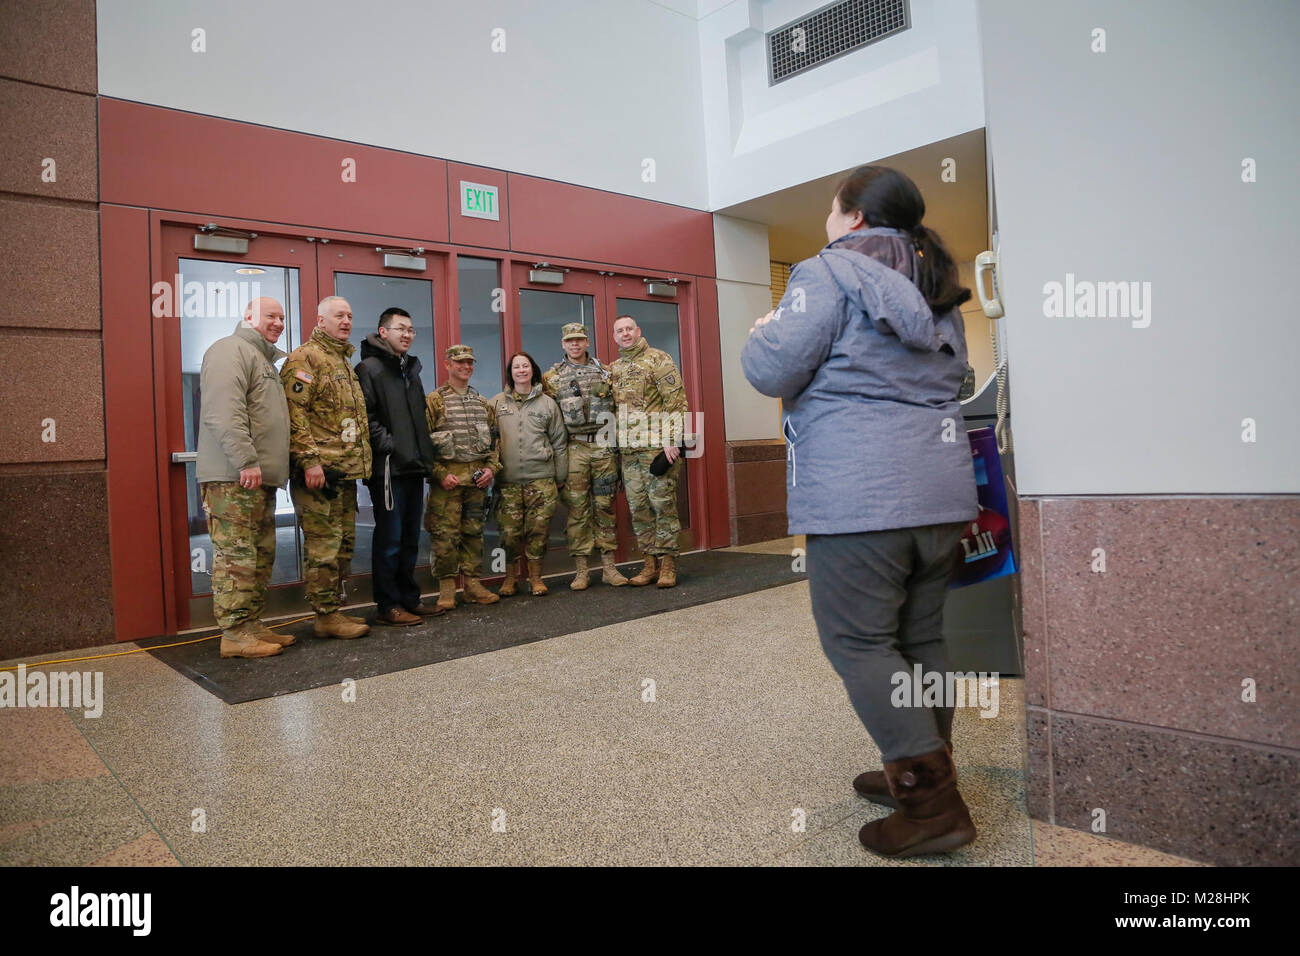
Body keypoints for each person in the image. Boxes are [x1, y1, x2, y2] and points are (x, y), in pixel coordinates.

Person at [740, 165, 979, 858]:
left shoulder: (825, 272)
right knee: (920, 639)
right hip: (939, 493)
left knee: (859, 643)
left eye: (829, 206)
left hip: (860, 495)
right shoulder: (937, 283)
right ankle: (922, 766)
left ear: (849, 215)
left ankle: (931, 807)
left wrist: (763, 330)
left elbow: (772, 371)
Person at [196, 297, 293, 659]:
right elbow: (223, 412)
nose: (278, 322)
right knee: (236, 556)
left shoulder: (263, 361)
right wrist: (246, 460)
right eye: (271, 315)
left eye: (282, 317)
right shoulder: (229, 350)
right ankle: (234, 634)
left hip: (257, 480)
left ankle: (251, 625)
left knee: (258, 556)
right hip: (234, 478)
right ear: (248, 317)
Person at [281, 296, 372, 639]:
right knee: (323, 548)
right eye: (339, 315)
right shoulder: (305, 358)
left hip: (343, 474)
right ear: (320, 320)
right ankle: (324, 615)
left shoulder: (342, 361)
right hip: (317, 476)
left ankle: (333, 612)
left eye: (349, 315)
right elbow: (295, 414)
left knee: (343, 546)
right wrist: (309, 461)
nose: (346, 321)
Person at [355, 307, 442, 626]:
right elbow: (367, 417)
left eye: (411, 329)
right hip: (389, 470)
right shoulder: (370, 368)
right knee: (390, 539)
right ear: (383, 332)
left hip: (413, 467)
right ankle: (388, 605)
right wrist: (390, 446)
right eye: (400, 328)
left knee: (409, 538)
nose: (407, 334)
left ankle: (409, 599)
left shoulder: (410, 370)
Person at [541, 322, 627, 589]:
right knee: (577, 509)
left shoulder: (606, 372)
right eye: (570, 341)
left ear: (587, 342)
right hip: (574, 448)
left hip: (603, 447)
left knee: (604, 506)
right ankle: (581, 570)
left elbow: (619, 410)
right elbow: (548, 419)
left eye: (579, 340)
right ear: (563, 344)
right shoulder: (552, 378)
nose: (575, 344)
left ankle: (609, 568)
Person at [610, 315, 688, 588]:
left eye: (629, 328)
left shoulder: (659, 359)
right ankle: (649, 564)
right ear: (615, 336)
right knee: (639, 508)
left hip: (657, 449)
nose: (625, 333)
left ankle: (668, 565)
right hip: (630, 452)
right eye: (620, 330)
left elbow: (676, 402)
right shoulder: (616, 368)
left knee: (662, 505)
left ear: (638, 331)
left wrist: (672, 441)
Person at [424, 344, 501, 610]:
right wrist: (439, 474)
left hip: (476, 483)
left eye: (469, 363)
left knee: (473, 534)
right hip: (447, 483)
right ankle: (447, 589)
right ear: (448, 365)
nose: (466, 367)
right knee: (445, 537)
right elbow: (423, 445)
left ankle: (472, 585)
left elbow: (494, 443)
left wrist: (491, 470)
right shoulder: (434, 401)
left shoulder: (481, 403)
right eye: (460, 363)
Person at [489, 352, 568, 596]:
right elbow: (488, 441)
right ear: (510, 372)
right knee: (509, 535)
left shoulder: (548, 404)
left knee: (539, 532)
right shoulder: (497, 403)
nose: (521, 370)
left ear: (532, 370)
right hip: (507, 482)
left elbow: (559, 442)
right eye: (516, 367)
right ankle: (510, 578)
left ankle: (536, 577)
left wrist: (560, 477)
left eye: (525, 366)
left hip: (541, 481)